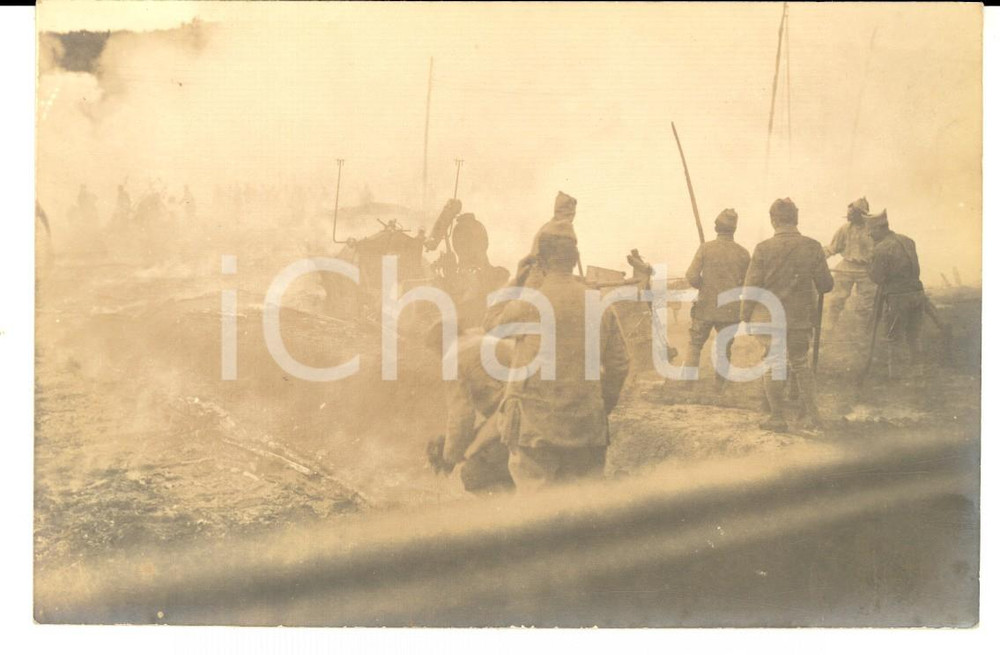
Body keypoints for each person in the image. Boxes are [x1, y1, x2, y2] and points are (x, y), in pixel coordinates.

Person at [494, 197, 630, 491]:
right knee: (584, 516)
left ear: (539, 260)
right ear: (574, 257)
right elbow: (620, 365)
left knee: (537, 518)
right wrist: (598, 406)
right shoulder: (600, 305)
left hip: (534, 430)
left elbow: (491, 324)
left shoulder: (528, 303)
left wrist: (517, 280)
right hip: (587, 427)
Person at [741, 198, 834, 432]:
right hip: (800, 318)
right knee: (801, 363)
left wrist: (745, 314)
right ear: (796, 218)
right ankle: (814, 418)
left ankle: (777, 417)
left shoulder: (763, 248)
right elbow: (825, 285)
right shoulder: (812, 246)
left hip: (769, 319)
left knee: (773, 364)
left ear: (773, 221)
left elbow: (751, 285)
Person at [425, 327, 515, 495]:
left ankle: (514, 514)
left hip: (519, 417)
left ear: (439, 346)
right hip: (537, 406)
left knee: (473, 474)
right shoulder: (482, 339)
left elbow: (462, 418)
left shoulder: (453, 358)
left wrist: (450, 457)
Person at [682, 208, 750, 396]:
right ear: (734, 229)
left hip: (705, 306)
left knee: (695, 343)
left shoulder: (705, 248)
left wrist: (704, 286)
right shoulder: (743, 253)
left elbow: (691, 276)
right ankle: (719, 387)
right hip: (730, 309)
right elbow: (748, 282)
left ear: (716, 227)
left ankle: (688, 384)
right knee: (724, 347)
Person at [866, 209, 925, 377]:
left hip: (898, 297)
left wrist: (870, 264)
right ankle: (918, 373)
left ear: (879, 229)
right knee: (914, 335)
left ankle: (895, 377)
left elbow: (877, 278)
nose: (870, 235)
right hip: (917, 293)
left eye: (871, 232)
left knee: (894, 336)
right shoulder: (908, 240)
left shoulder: (881, 248)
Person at [824, 197, 877, 328]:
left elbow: (880, 251)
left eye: (853, 213)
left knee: (867, 303)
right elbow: (833, 248)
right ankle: (829, 327)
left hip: (866, 270)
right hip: (846, 267)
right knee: (836, 299)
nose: (850, 215)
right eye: (850, 212)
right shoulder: (844, 229)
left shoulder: (873, 230)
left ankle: (865, 331)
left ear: (862, 214)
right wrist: (818, 258)